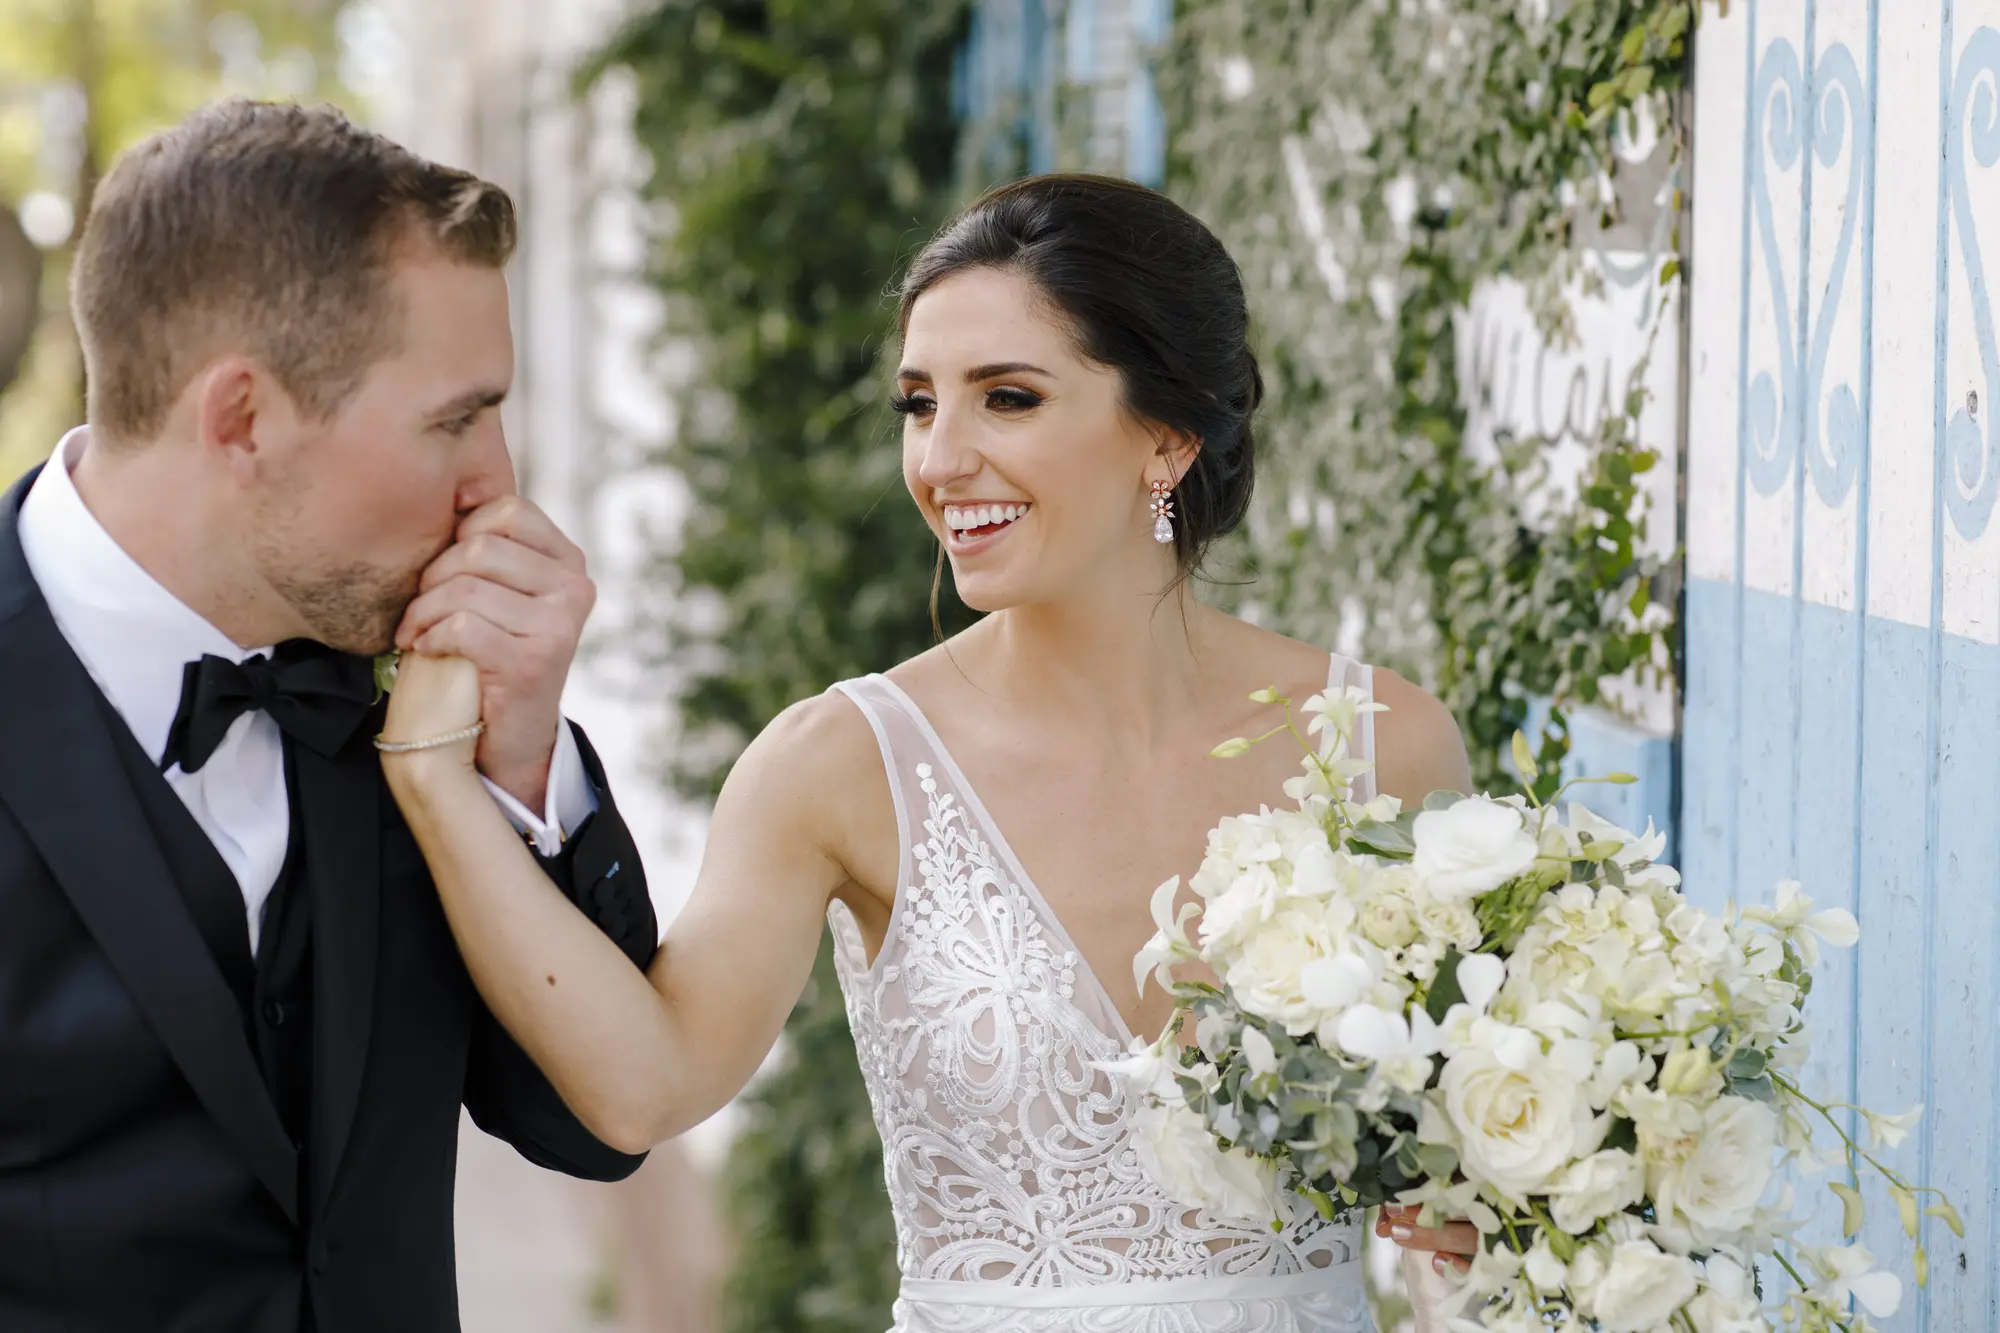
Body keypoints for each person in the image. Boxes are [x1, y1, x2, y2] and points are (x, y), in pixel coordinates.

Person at [379, 174, 1470, 1330]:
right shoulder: (837, 764)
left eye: (1005, 398)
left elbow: (1452, 1146)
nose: (939, 460)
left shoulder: (1380, 748)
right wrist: (434, 784)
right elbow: (641, 1085)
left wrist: (1473, 1211)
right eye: (917, 404)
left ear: (1165, 436)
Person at [0, 101, 658, 1332]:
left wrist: (515, 764)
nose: (496, 485)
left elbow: (591, 1123)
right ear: (242, 418)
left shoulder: (415, 684)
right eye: (455, 418)